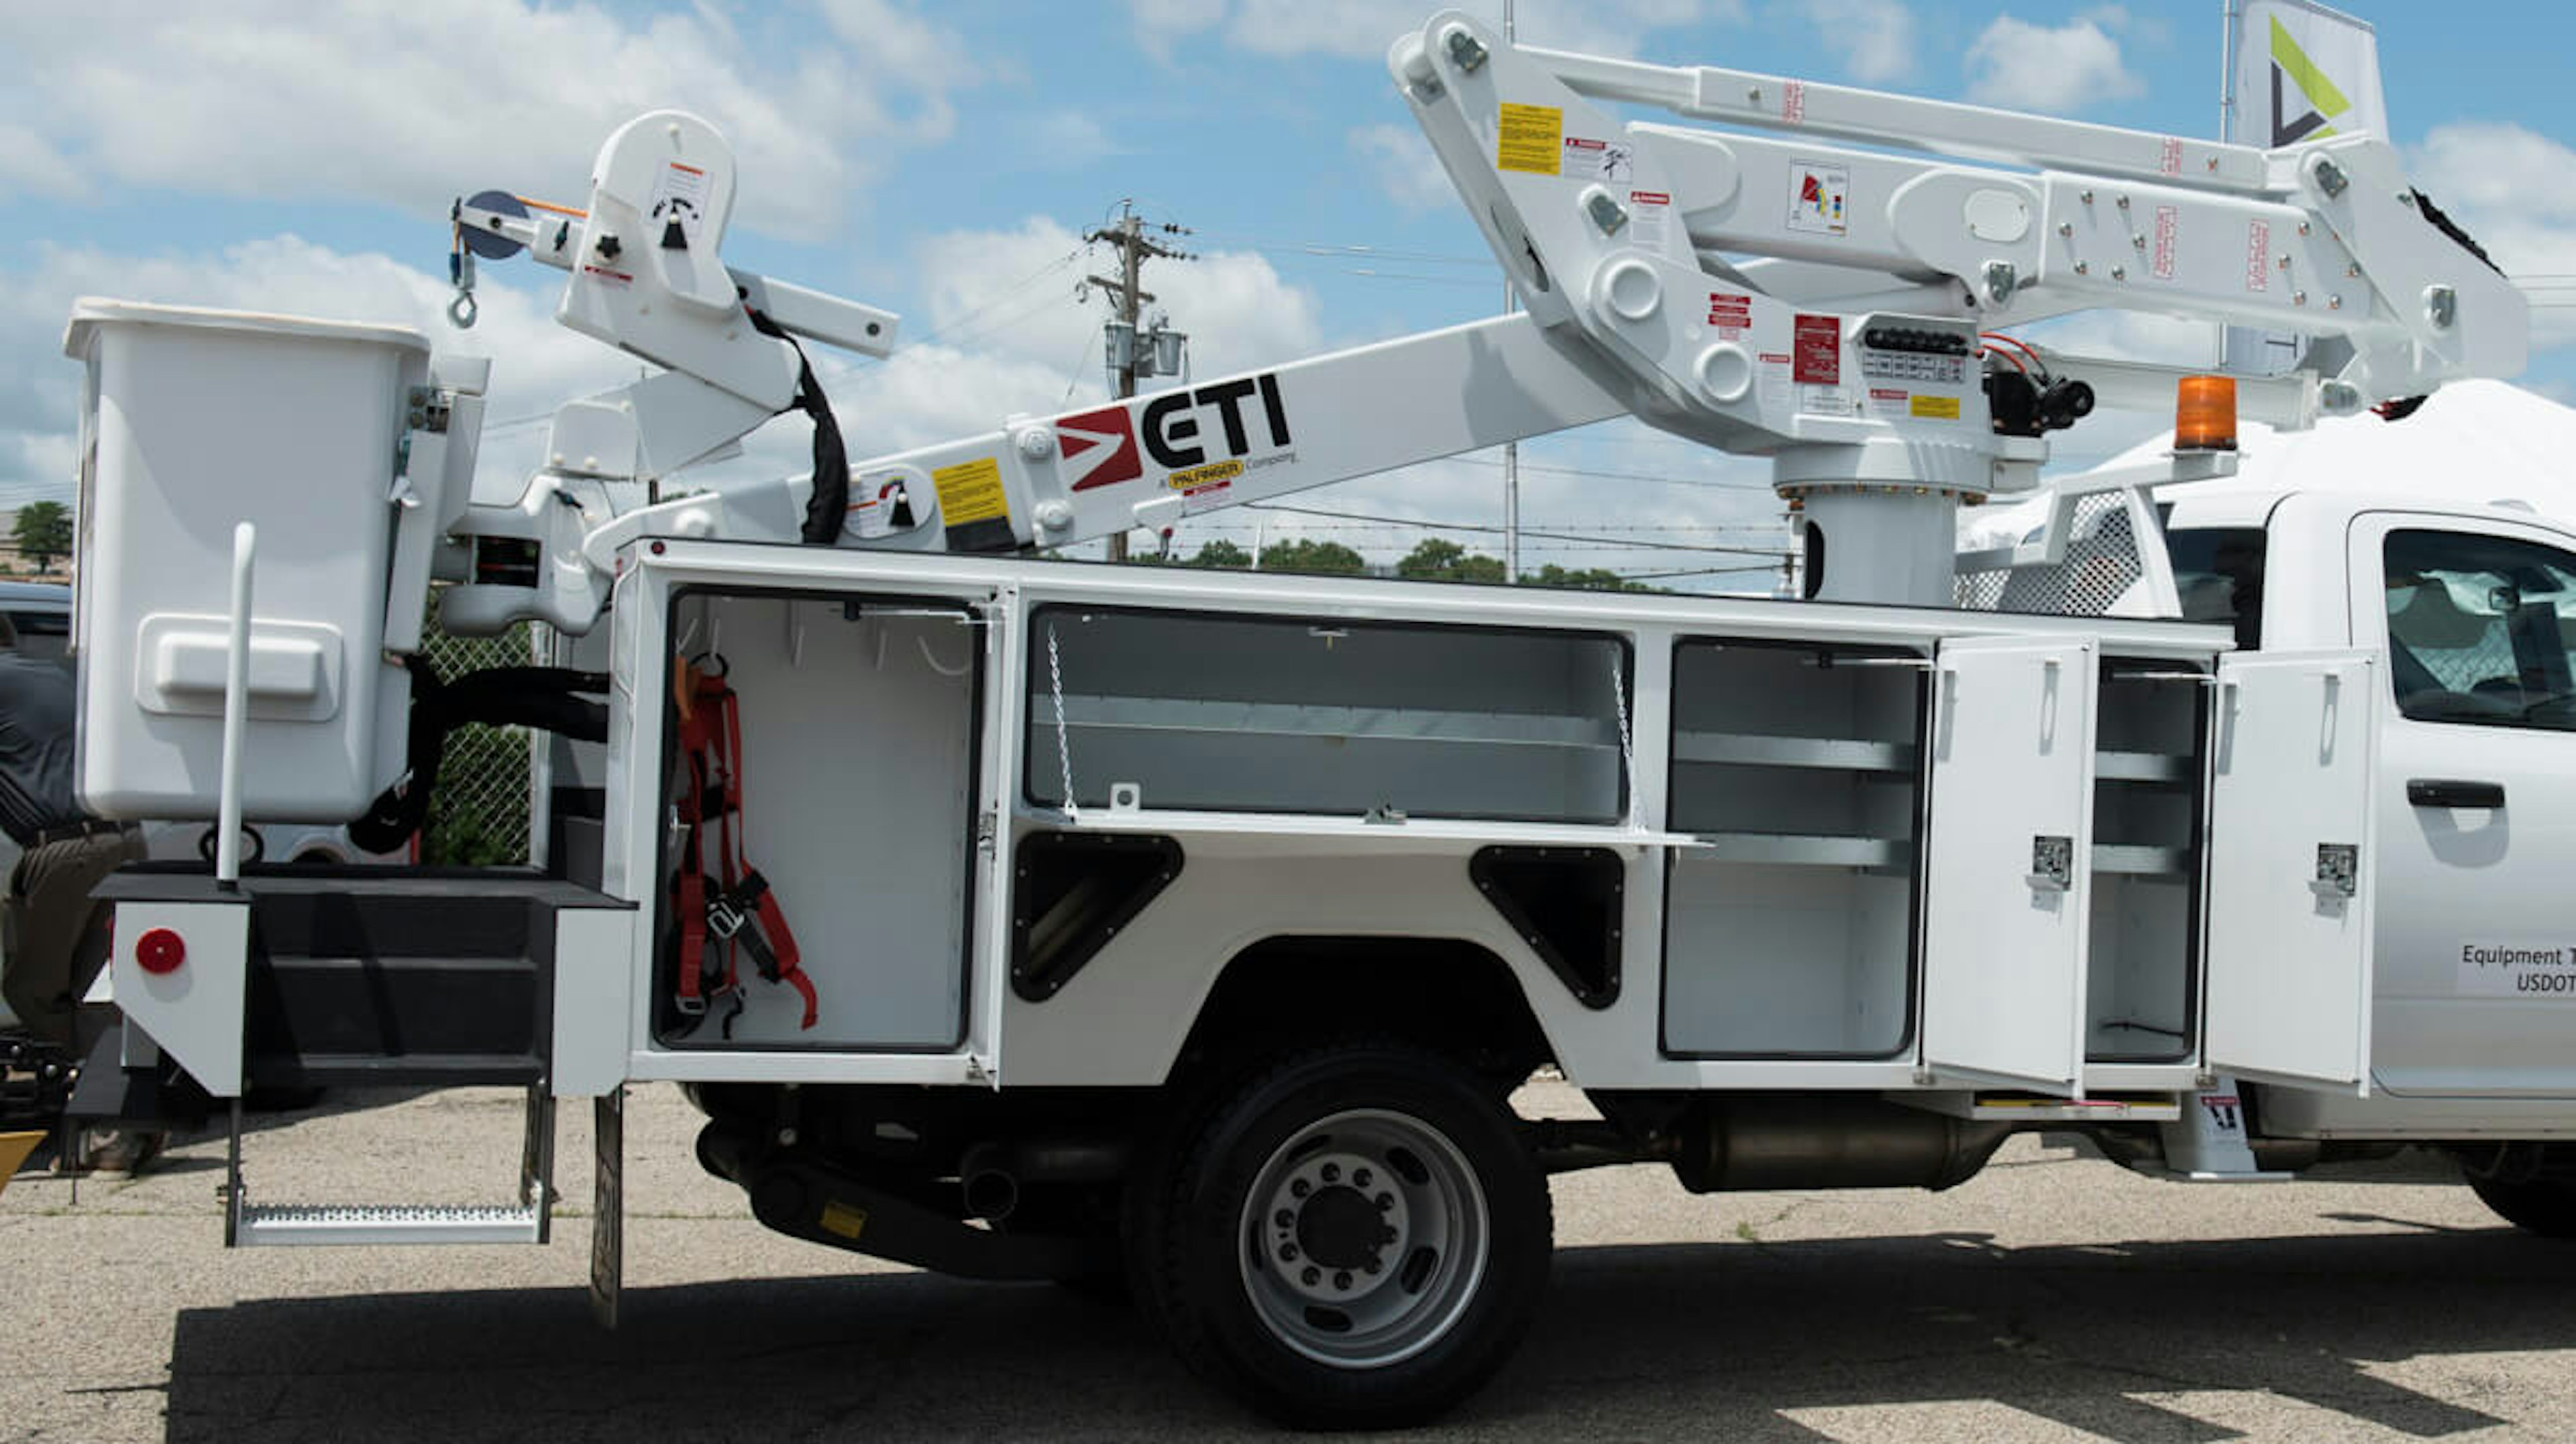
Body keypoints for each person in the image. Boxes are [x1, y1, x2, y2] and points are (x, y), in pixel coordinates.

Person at [0, 613, 155, 1172]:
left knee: (30, 990)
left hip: (63, 852)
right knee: (98, 991)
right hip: (124, 837)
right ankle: (126, 1126)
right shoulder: (52, 676)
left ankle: (94, 1090)